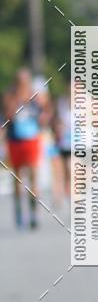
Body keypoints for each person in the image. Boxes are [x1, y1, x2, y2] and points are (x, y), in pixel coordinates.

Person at [3, 68, 49, 229]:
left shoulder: (34, 96)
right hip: (15, 141)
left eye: (25, 81)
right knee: (17, 177)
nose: (23, 84)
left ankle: (34, 211)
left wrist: (40, 110)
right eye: (20, 81)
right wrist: (18, 102)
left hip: (32, 140)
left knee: (34, 176)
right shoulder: (10, 96)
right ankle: (18, 210)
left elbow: (45, 114)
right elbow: (8, 115)